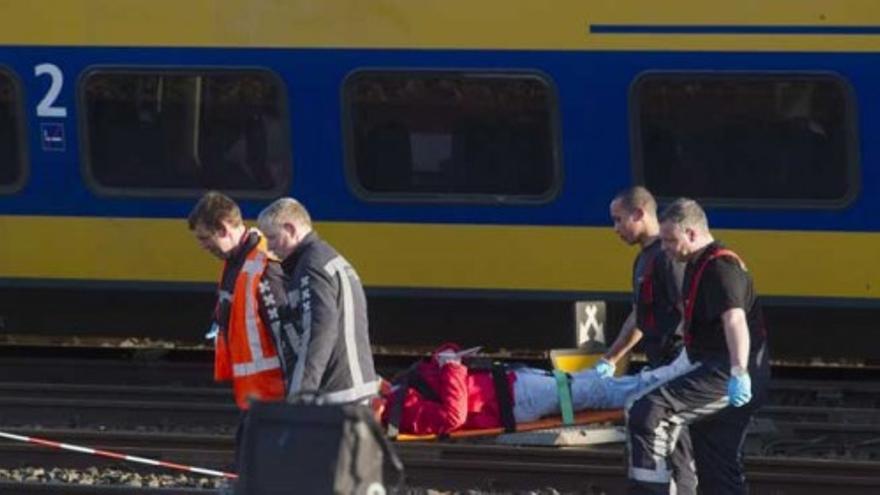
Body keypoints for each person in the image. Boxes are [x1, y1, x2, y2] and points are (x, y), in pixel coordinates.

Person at [626, 198, 770, 495]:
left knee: (651, 411)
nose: (663, 247)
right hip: (712, 366)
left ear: (691, 233)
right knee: (715, 465)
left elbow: (735, 321)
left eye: (669, 240)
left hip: (726, 371)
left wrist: (739, 371)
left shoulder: (720, 268)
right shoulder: (695, 264)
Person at [598, 186, 697, 494]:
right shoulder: (645, 260)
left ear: (639, 214)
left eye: (618, 220)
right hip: (661, 361)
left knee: (674, 440)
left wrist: (687, 360)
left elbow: (688, 309)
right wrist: (610, 358)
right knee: (666, 438)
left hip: (675, 359)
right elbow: (639, 316)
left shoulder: (667, 260)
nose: (615, 229)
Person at [379, 343, 693, 436]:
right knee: (596, 393)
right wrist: (451, 367)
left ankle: (663, 378)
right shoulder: (399, 408)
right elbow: (452, 415)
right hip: (515, 399)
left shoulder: (398, 389)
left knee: (592, 387)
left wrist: (445, 355)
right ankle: (668, 381)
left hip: (514, 384)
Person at [257, 197, 379, 404]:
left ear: (290, 229)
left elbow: (318, 333)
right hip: (356, 388)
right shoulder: (328, 257)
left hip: (338, 395)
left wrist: (300, 394)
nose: (269, 247)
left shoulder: (311, 266)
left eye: (273, 238)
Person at [187, 191, 294, 411]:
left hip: (274, 395)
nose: (203, 246)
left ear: (224, 229)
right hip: (256, 394)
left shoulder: (264, 266)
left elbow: (286, 333)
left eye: (205, 238)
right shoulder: (236, 263)